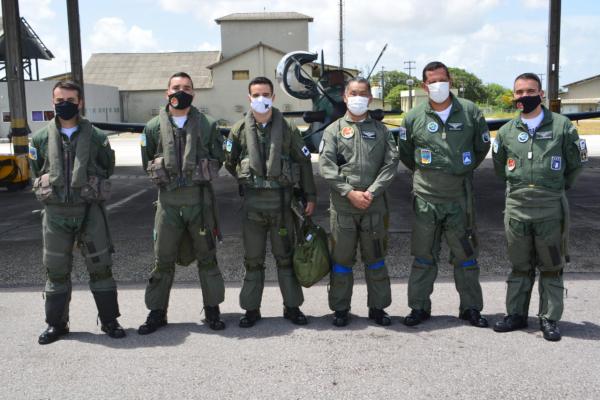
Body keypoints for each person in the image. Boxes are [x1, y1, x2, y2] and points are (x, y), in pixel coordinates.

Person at [30, 80, 125, 344]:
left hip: (89, 210)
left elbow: (107, 167)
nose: (65, 105)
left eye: (70, 100)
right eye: (60, 100)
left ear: (80, 102)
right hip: (56, 214)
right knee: (56, 270)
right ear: (53, 102)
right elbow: (35, 169)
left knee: (101, 267)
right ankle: (56, 324)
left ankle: (109, 321)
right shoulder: (39, 138)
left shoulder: (96, 137)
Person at [492, 73, 586, 341]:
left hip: (550, 208)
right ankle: (516, 315)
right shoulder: (507, 131)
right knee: (519, 265)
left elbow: (575, 164)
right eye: (519, 92)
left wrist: (554, 189)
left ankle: (549, 318)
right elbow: (500, 168)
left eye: (530, 91)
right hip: (517, 207)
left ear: (541, 93)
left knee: (551, 266)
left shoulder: (562, 126)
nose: (524, 96)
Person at [398, 61, 490, 328]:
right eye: (432, 81)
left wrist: (460, 169)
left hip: (459, 198)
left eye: (442, 79)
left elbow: (481, 148)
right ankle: (419, 307)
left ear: (450, 80)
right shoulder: (413, 117)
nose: (437, 85)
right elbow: (407, 153)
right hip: (426, 197)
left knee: (465, 255)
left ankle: (471, 308)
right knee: (424, 256)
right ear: (424, 86)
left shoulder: (470, 111)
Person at [138, 72, 226, 334]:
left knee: (207, 258)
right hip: (168, 203)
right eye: (176, 87)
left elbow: (218, 159)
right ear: (167, 92)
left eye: (187, 88)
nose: (181, 91)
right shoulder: (152, 127)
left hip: (199, 201)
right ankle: (157, 312)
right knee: (162, 260)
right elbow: (147, 162)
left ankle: (212, 310)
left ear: (194, 93)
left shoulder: (208, 125)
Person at [224, 76, 316, 328]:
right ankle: (251, 310)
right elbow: (229, 162)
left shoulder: (288, 129)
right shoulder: (238, 130)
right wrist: (247, 179)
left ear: (273, 97)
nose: (261, 99)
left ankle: (292, 307)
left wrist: (310, 195)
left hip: (281, 205)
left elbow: (303, 161)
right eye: (256, 95)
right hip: (253, 207)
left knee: (285, 258)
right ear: (249, 97)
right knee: (253, 260)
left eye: (265, 94)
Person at [318, 77, 399, 327]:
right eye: (353, 93)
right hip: (343, 208)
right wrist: (349, 192)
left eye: (363, 93)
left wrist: (372, 192)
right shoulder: (332, 131)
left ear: (370, 98)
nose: (358, 98)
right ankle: (341, 308)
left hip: (374, 207)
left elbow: (391, 163)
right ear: (345, 97)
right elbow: (326, 166)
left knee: (375, 259)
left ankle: (378, 308)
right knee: (342, 262)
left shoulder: (382, 131)